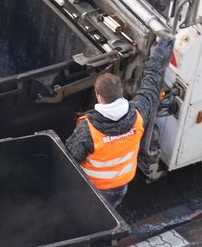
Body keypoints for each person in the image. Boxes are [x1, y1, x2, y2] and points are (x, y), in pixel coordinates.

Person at [65, 37, 172, 207]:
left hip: (92, 188)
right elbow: (151, 85)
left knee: (87, 214)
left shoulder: (88, 129)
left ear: (98, 95)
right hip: (120, 186)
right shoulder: (138, 115)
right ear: (121, 91)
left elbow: (69, 160)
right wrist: (157, 56)